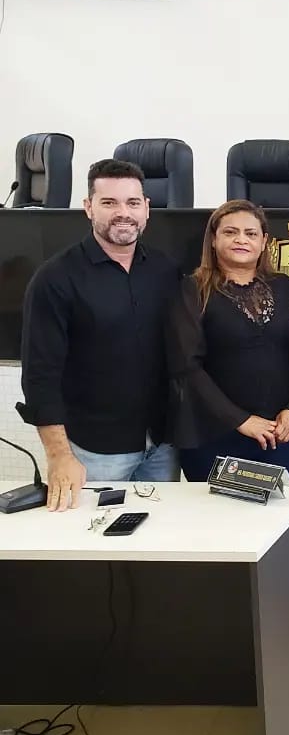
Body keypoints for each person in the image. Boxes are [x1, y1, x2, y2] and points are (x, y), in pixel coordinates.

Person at [19, 159, 181, 509]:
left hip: (162, 446)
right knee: (96, 551)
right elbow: (39, 375)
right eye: (109, 203)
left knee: (161, 546)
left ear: (147, 209)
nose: (123, 213)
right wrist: (59, 455)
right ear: (89, 208)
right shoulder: (55, 279)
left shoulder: (166, 271)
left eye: (133, 203)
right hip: (94, 452)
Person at [168, 201, 289, 482]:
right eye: (231, 232)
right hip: (214, 435)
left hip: (278, 434)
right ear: (214, 239)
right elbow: (187, 366)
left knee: (273, 522)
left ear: (264, 241)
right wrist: (241, 421)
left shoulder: (285, 287)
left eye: (251, 233)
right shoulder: (192, 289)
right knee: (220, 523)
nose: (241, 240)